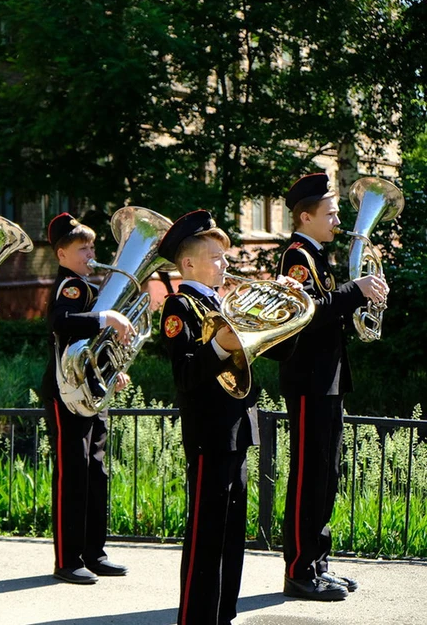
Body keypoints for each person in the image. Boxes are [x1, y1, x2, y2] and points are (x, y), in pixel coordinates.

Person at [157, 210, 300, 624]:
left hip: (237, 431)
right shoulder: (179, 306)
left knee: (230, 538)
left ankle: (223, 616)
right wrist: (219, 345)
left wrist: (288, 313)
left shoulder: (223, 301)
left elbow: (275, 353)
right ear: (189, 264)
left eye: (224, 256)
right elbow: (185, 374)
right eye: (216, 257)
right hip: (208, 435)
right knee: (205, 539)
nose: (225, 264)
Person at [277, 172, 387, 601]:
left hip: (326, 379)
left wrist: (365, 295)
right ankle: (299, 570)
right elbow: (306, 311)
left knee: (327, 475)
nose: (338, 219)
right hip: (307, 381)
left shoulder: (318, 254)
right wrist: (353, 291)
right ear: (306, 216)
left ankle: (318, 563)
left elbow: (333, 308)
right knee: (308, 478)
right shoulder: (296, 256)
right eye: (331, 212)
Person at [40, 212, 133, 585]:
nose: (90, 253)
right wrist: (103, 317)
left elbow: (92, 346)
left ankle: (95, 552)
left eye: (92, 246)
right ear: (62, 255)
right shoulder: (71, 287)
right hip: (67, 394)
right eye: (82, 248)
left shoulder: (87, 286)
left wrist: (113, 370)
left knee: (96, 473)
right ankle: (68, 558)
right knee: (73, 474)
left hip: (90, 390)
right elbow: (61, 324)